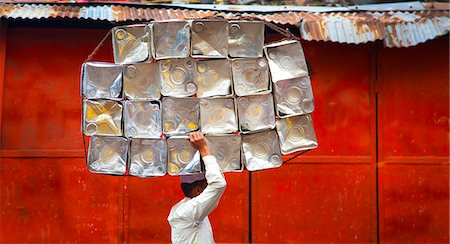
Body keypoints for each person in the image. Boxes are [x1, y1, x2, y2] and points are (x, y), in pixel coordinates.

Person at [167, 132, 227, 244]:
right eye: (207, 184)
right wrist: (203, 149)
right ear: (198, 190)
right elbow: (218, 184)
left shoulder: (189, 209)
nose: (209, 187)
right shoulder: (189, 211)